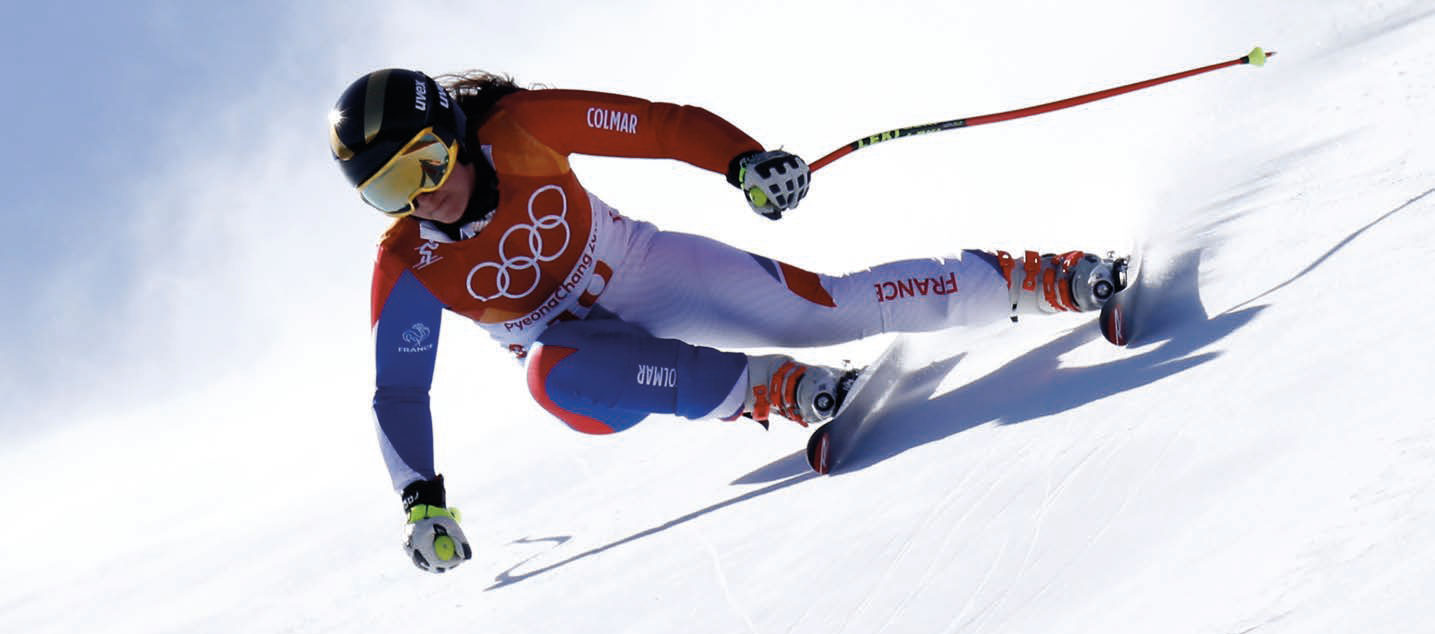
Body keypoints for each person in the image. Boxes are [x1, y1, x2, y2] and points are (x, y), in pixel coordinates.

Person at [328, 68, 1123, 573]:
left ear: (456, 134)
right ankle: (768, 390)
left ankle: (1042, 280)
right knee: (547, 371)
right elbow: (398, 393)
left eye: (424, 164)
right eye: (387, 189)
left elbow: (661, 125)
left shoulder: (523, 127)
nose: (421, 196)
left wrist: (744, 163)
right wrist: (421, 502)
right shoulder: (409, 263)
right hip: (590, 373)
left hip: (644, 269)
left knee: (832, 307)